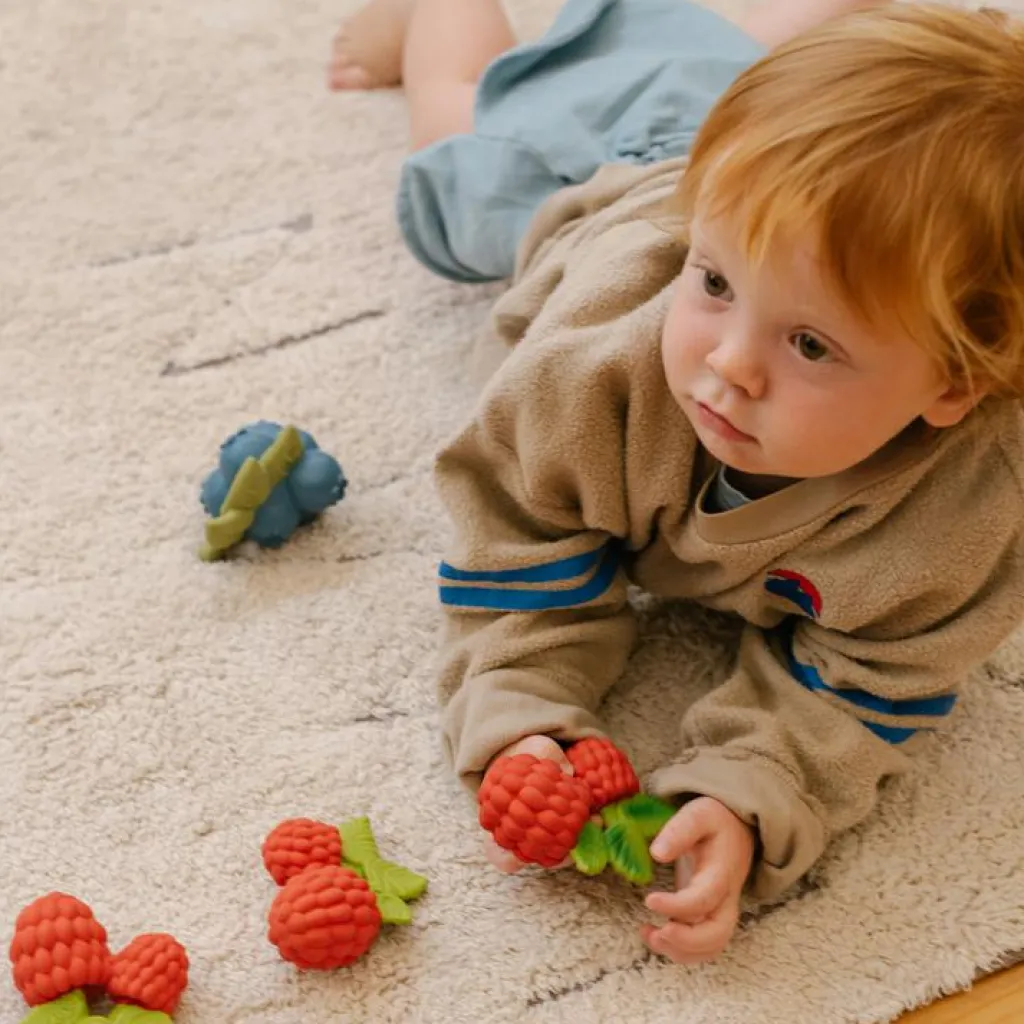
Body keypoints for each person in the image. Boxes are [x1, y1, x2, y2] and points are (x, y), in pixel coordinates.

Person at [330, 0, 1024, 963]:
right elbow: (519, 527)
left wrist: (751, 793)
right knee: (461, 149)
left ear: (955, 383)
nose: (728, 366)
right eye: (713, 287)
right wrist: (519, 706)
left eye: (812, 344)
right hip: (603, 176)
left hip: (742, 159)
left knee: (726, 68)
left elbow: (872, 685)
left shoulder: (970, 517)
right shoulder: (594, 372)